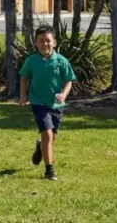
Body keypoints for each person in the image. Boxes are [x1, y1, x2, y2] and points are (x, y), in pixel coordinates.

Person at [19, 26, 76, 181]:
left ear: (54, 42)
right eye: (41, 41)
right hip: (38, 102)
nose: (45, 44)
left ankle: (40, 146)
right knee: (47, 133)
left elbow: (69, 81)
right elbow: (24, 77)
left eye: (48, 41)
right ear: (36, 43)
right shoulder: (31, 61)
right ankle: (49, 170)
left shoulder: (61, 61)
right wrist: (23, 95)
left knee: (51, 137)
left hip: (56, 105)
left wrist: (63, 95)